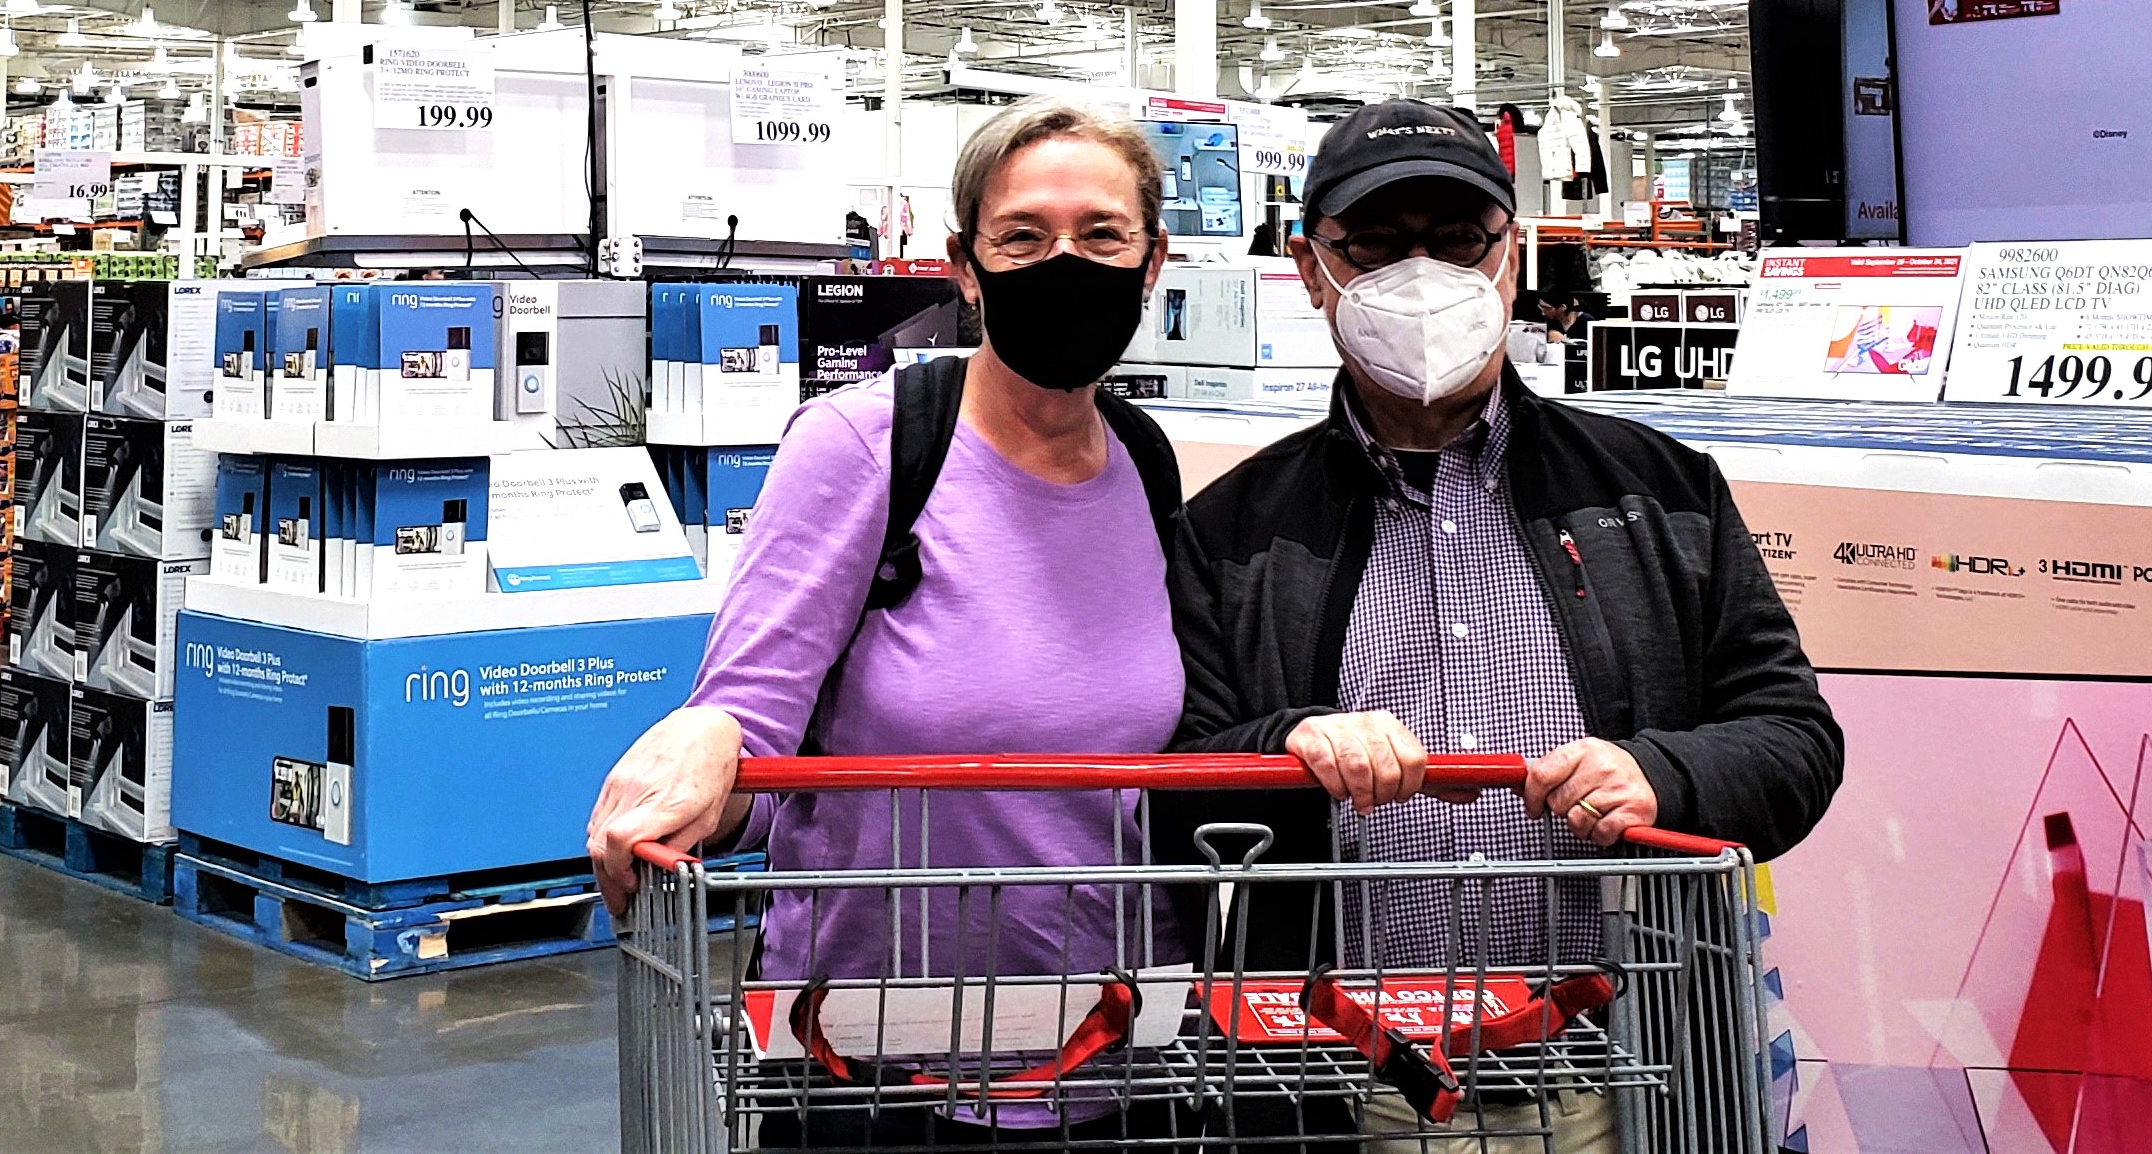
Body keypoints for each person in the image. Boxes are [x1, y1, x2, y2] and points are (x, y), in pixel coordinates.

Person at [1173, 100, 1843, 1154]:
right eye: (1380, 246)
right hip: (1338, 1088)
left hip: (1628, 1073)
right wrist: (1286, 744)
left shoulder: (1659, 493)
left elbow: (1796, 740)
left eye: (1459, 242)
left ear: (1512, 256)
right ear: (1313, 271)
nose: (1425, 275)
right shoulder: (1234, 532)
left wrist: (1661, 774)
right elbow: (1175, 787)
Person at [587, 97, 1191, 1147]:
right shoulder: (866, 449)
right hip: (872, 1067)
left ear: (1152, 262)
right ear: (966, 265)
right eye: (1023, 237)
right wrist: (701, 742)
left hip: (1109, 1053)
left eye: (1102, 235)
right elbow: (748, 716)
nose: (1065, 263)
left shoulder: (1145, 460)